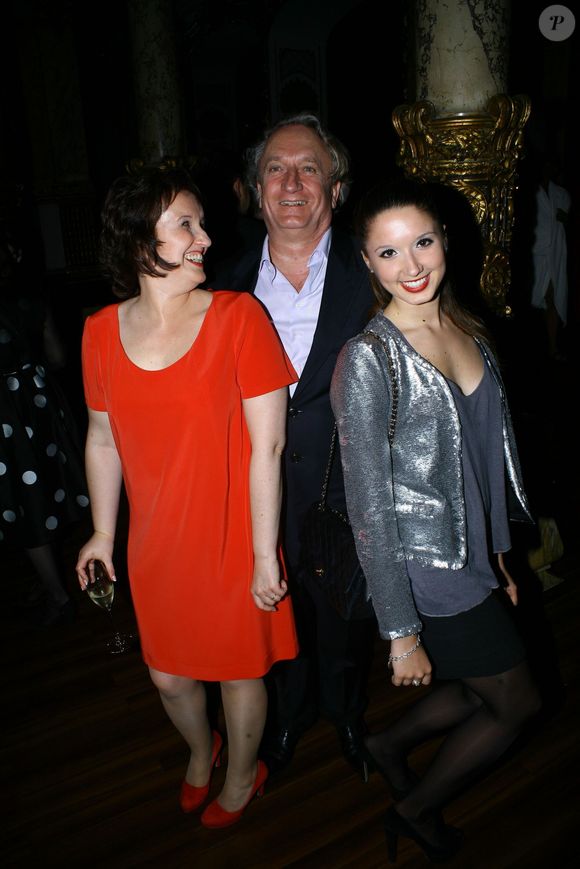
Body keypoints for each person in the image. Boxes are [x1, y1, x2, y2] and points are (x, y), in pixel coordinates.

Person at [75, 167, 298, 829]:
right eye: (187, 225)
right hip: (156, 545)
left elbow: (270, 449)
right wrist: (100, 533)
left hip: (234, 539)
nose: (207, 236)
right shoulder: (98, 332)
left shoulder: (237, 317)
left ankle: (239, 774)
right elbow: (101, 440)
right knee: (169, 676)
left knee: (237, 673)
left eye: (201, 222)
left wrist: (264, 555)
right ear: (143, 242)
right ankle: (202, 751)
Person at [330, 178, 541, 862]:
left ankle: (388, 743)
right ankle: (416, 810)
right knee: (515, 702)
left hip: (474, 553)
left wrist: (501, 557)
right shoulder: (370, 359)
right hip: (424, 566)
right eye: (388, 253)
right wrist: (400, 633)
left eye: (422, 241)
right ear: (366, 262)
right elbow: (367, 508)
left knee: (478, 679)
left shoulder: (467, 325)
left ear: (445, 239)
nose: (412, 265)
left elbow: (485, 461)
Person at [212, 113, 377, 779]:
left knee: (347, 616)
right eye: (275, 168)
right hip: (260, 492)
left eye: (310, 167)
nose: (292, 181)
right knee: (273, 615)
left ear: (335, 188)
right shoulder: (221, 284)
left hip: (351, 487)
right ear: (254, 188)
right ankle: (287, 718)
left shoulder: (376, 273)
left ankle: (347, 716)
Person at [1, 220, 89, 626]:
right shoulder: (33, 296)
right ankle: (49, 578)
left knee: (24, 503)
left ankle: (57, 595)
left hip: (6, 413)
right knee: (42, 494)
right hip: (40, 401)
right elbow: (57, 357)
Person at [530, 153, 571, 361]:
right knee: (533, 299)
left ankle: (553, 347)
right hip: (534, 254)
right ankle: (535, 347)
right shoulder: (529, 192)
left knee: (553, 297)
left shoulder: (561, 193)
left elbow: (567, 218)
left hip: (555, 254)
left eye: (551, 166)